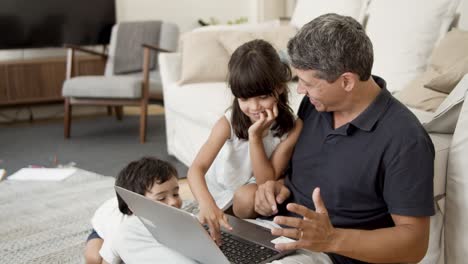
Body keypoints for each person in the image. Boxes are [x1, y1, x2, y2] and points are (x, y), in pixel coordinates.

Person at [254, 13, 435, 264]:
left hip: (328, 255)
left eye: (307, 83)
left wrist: (331, 239)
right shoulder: (316, 105)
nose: (300, 91)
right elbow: (308, 170)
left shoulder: (405, 140)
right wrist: (280, 186)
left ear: (347, 81)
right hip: (273, 234)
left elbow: (414, 244)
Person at [187, 39, 303, 244]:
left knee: (249, 194)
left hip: (250, 195)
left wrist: (255, 137)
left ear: (280, 88)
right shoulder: (227, 123)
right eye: (245, 99)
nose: (254, 106)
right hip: (219, 194)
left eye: (263, 96)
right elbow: (196, 168)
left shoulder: (290, 127)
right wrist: (206, 203)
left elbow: (265, 180)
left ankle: (239, 232)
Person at [84, 157, 195, 264]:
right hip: (103, 227)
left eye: (175, 194)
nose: (173, 202)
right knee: (94, 258)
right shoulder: (121, 230)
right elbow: (108, 260)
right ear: (137, 205)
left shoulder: (174, 214)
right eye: (161, 198)